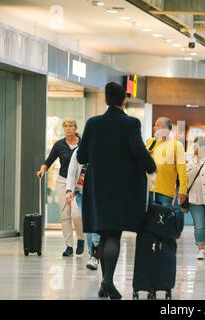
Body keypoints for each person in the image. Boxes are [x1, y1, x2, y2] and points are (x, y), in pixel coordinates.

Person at [77, 82, 156, 300]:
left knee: (104, 233)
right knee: (113, 234)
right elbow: (138, 150)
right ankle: (107, 280)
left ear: (105, 100)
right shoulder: (130, 123)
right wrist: (151, 167)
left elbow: (81, 156)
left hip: (97, 187)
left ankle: (105, 284)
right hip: (122, 189)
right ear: (124, 100)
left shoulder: (93, 124)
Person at [37, 119, 84, 257]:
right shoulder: (59, 145)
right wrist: (42, 170)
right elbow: (48, 161)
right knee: (65, 215)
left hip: (79, 183)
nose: (68, 128)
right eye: (66, 126)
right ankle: (69, 246)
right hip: (63, 181)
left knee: (77, 214)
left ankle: (80, 239)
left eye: (71, 126)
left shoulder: (82, 144)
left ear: (75, 128)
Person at [65, 147, 100, 270]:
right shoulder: (79, 151)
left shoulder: (103, 148)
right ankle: (92, 253)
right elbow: (71, 171)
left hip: (99, 192)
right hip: (81, 192)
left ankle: (95, 255)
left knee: (96, 222)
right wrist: (69, 190)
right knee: (88, 223)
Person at [146, 117, 187, 206]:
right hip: (148, 189)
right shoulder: (150, 142)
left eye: (157, 125)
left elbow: (182, 170)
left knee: (163, 218)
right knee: (148, 219)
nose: (154, 128)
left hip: (165, 192)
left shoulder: (177, 145)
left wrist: (183, 190)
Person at [186, 136, 205, 260]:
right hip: (194, 197)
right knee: (199, 225)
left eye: (196, 145)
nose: (194, 147)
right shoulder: (189, 161)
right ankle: (201, 249)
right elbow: (184, 178)